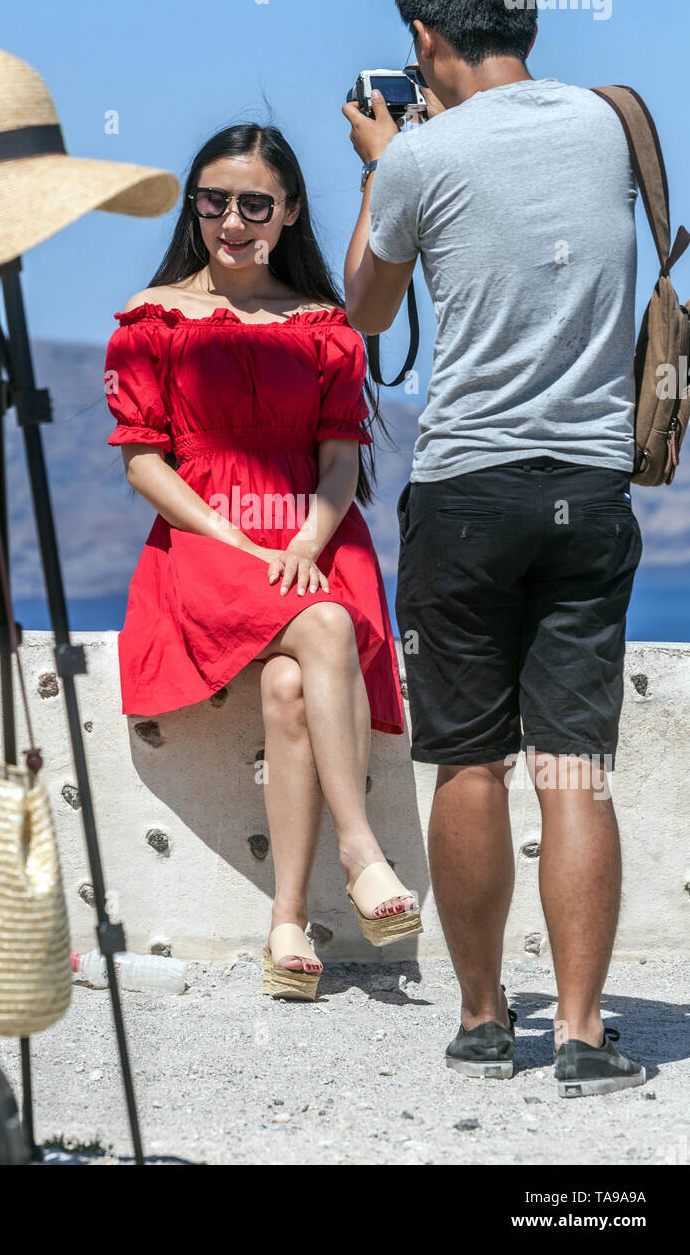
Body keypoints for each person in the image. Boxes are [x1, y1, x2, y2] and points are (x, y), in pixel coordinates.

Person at [342, 0, 647, 1096]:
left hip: (466, 488)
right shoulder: (610, 126)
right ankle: (579, 1032)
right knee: (572, 766)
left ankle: (481, 1020)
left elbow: (370, 314)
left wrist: (382, 158)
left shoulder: (418, 159)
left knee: (468, 765)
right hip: (587, 485)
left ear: (423, 36)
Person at [104, 122, 422, 1001]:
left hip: (315, 534)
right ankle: (362, 853)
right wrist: (240, 540)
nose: (232, 221)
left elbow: (338, 459)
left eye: (254, 204)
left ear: (287, 213)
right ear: (195, 207)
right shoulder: (152, 318)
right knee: (324, 620)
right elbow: (142, 460)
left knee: (291, 687)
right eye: (214, 202)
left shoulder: (326, 327)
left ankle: (286, 921)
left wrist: (306, 542)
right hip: (207, 539)